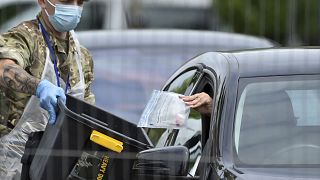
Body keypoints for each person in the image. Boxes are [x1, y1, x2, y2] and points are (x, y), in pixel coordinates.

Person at [0, 0, 94, 178]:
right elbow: (4, 67)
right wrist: (39, 87)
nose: (74, 7)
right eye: (66, 1)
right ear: (42, 1)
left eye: (79, 2)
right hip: (12, 165)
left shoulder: (82, 57)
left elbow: (87, 116)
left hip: (57, 166)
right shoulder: (25, 37)